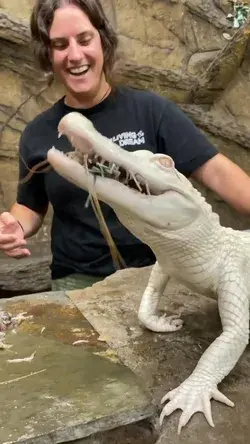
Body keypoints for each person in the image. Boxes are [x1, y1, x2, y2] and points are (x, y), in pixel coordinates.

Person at [1, 0, 250, 292]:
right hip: (77, 280)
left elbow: (217, 172)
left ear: (103, 41)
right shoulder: (38, 132)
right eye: (60, 44)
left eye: (84, 39)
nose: (75, 55)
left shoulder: (152, 111)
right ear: (48, 54)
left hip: (159, 272)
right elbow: (30, 205)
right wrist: (15, 227)